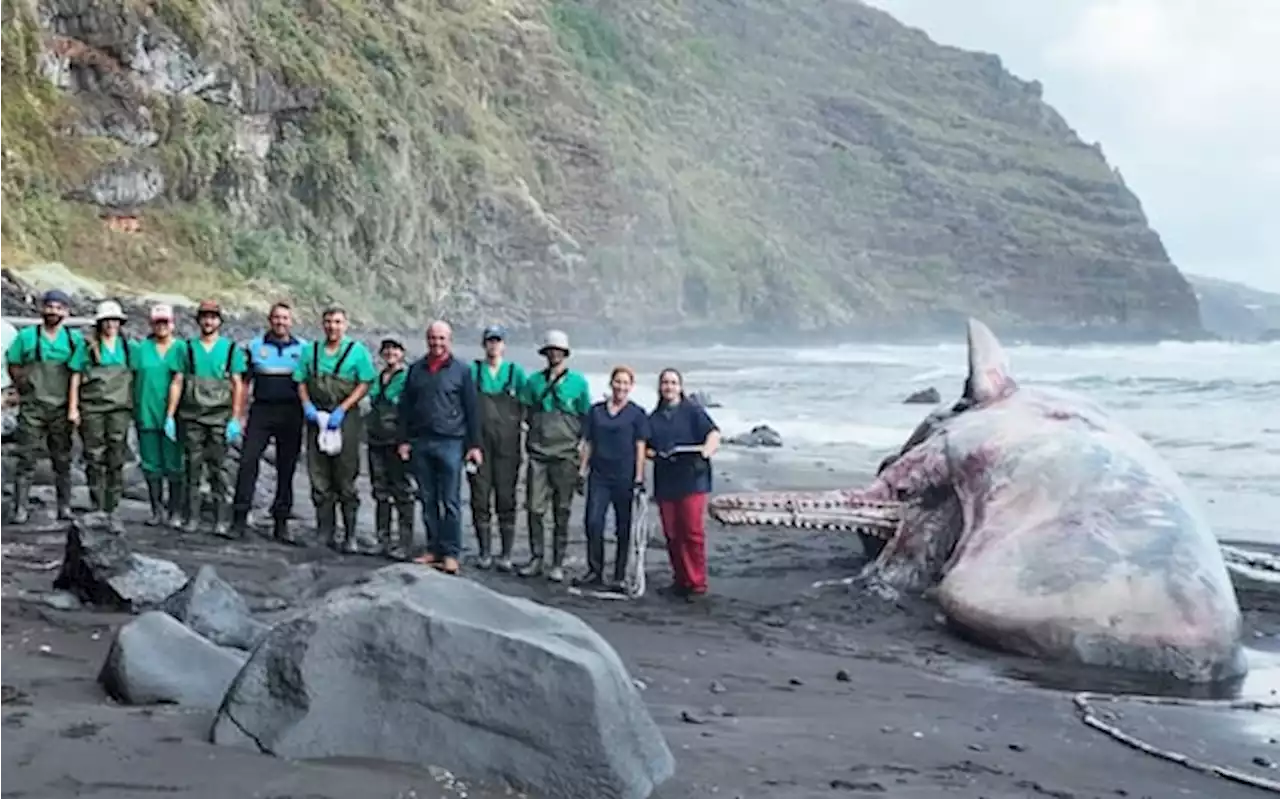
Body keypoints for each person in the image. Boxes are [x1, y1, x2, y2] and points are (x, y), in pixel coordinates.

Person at [396, 320, 482, 575]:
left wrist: (474, 445)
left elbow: (472, 409)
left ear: (449, 340)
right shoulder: (415, 370)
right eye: (433, 338)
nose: (437, 343)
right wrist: (403, 440)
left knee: (451, 501)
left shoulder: (462, 371)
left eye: (442, 339)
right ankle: (433, 549)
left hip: (451, 442)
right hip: (421, 442)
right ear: (427, 339)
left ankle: (451, 553)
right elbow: (405, 408)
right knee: (427, 499)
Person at [294, 306, 376, 553]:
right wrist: (307, 405)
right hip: (316, 416)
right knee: (318, 475)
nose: (333, 326)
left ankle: (350, 534)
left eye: (338, 322)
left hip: (346, 419)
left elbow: (365, 382)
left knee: (346, 475)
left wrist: (343, 408)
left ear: (346, 324)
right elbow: (300, 381)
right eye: (329, 322)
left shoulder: (357, 352)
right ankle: (324, 531)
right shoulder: (311, 351)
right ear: (322, 324)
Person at [165, 300, 248, 536]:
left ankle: (221, 519)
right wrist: (170, 415)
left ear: (219, 321)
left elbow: (238, 385)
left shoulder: (231, 349)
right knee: (192, 467)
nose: (208, 321)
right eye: (204, 317)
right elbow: (177, 382)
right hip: (191, 417)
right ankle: (191, 517)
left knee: (219, 469)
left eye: (213, 317)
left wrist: (236, 418)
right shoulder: (186, 348)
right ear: (198, 320)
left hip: (219, 418)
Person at [518, 329, 591, 583]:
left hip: (566, 456)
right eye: (550, 350)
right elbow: (525, 412)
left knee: (562, 510)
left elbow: (586, 420)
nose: (554, 354)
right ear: (545, 353)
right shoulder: (533, 382)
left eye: (558, 350)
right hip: (538, 454)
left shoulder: (579, 383)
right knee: (534, 509)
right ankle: (537, 557)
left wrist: (582, 457)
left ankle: (557, 562)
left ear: (565, 353)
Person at [6, 289, 84, 523]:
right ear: (42, 309)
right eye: (50, 306)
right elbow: (13, 362)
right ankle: (20, 508)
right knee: (26, 458)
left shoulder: (73, 340)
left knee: (62, 459)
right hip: (32, 408)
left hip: (60, 409)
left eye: (59, 307)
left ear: (66, 312)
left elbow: (77, 374)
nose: (53, 311)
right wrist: (22, 386)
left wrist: (73, 407)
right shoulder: (27, 336)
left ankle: (65, 506)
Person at [232, 302, 307, 543]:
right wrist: (239, 415)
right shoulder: (255, 347)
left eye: (285, 318)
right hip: (261, 410)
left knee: (287, 468)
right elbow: (243, 383)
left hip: (291, 412)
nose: (280, 322)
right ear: (269, 320)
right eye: (276, 317)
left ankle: (281, 522)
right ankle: (239, 519)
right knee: (247, 462)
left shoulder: (304, 349)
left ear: (291, 321)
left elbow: (309, 382)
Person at [647, 367, 720, 600]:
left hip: (692, 478)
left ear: (680, 387)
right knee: (672, 533)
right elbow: (645, 445)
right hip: (667, 480)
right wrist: (653, 454)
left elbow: (714, 433)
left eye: (673, 382)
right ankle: (680, 580)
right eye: (665, 383)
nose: (669, 387)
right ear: (660, 387)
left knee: (692, 532)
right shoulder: (654, 417)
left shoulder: (693, 411)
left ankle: (697, 583)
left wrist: (707, 450)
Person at [574, 365, 648, 590]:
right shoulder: (596, 411)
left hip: (625, 476)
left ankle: (619, 575)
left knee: (623, 527)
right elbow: (588, 442)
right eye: (618, 382)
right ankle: (595, 571)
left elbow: (640, 446)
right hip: (599, 475)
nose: (621, 387)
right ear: (611, 383)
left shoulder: (637, 413)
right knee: (593, 522)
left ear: (631, 386)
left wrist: (639, 476)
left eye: (626, 383)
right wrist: (581, 470)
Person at [67, 301, 133, 529]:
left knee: (116, 456)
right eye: (107, 321)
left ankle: (112, 507)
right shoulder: (87, 347)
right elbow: (75, 376)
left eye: (115, 321)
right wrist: (73, 408)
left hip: (119, 409)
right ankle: (97, 505)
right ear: (100, 323)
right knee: (94, 456)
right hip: (92, 409)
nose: (111, 325)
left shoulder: (127, 347)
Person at [467, 325, 526, 571]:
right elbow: (467, 409)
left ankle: (506, 554)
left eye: (498, 341)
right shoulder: (473, 371)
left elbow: (529, 405)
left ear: (504, 345)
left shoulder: (515, 372)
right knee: (480, 499)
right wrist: (470, 445)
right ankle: (484, 552)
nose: (493, 345)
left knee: (506, 498)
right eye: (489, 341)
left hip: (508, 448)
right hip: (480, 446)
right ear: (484, 344)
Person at [132, 304, 183, 527]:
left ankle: (175, 511)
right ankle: (156, 510)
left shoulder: (182, 348)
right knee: (151, 464)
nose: (162, 326)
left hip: (176, 418)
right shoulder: (140, 349)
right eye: (157, 323)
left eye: (166, 322)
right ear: (151, 324)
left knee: (174, 464)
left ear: (173, 324)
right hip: (146, 413)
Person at [366, 337, 413, 560]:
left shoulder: (408, 378)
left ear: (402, 352)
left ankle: (405, 542)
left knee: (402, 491)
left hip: (397, 441)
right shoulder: (378, 377)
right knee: (380, 490)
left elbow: (413, 411)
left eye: (395, 348)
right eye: (387, 349)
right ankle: (382, 539)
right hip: (376, 440)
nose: (391, 352)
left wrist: (408, 441)